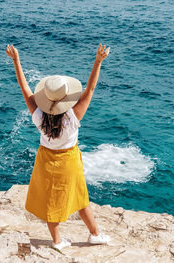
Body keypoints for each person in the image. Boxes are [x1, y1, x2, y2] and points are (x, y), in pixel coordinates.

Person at [6, 43, 110, 251]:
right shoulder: (73, 117)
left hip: (46, 160)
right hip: (69, 161)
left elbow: (24, 88)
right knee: (81, 197)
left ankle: (57, 241)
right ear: (65, 100)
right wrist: (98, 61)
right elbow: (90, 89)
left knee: (52, 202)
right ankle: (95, 235)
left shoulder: (38, 116)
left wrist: (16, 60)